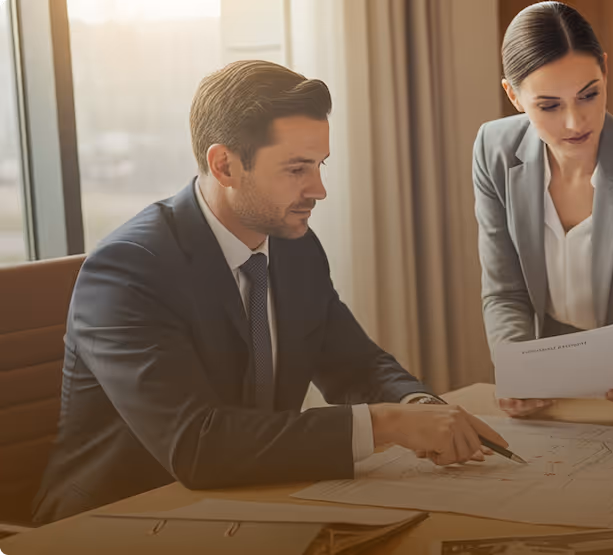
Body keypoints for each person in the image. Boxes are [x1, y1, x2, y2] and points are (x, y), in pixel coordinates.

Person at [33, 60, 507, 523]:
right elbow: (197, 445)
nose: (319, 189)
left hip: (253, 505)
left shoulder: (293, 247)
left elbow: (354, 362)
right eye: (297, 169)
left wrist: (418, 407)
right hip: (121, 520)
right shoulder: (129, 269)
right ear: (224, 165)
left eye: (320, 165)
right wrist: (387, 425)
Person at [473, 2, 613, 419]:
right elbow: (505, 291)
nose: (576, 121)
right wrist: (516, 367)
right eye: (549, 105)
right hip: (550, 391)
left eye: (589, 94)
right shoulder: (494, 150)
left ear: (605, 70)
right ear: (513, 96)